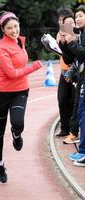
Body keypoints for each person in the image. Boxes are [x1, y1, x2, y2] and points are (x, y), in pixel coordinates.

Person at [0, 11, 43, 183]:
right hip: (2, 94)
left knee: (18, 123)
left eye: (16, 26)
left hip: (21, 91)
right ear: (3, 30)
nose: (14, 30)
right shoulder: (0, 47)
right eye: (9, 28)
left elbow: (19, 66)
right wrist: (34, 67)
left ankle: (16, 134)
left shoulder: (20, 40)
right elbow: (12, 73)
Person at [59, 5, 85, 166]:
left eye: (81, 16)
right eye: (76, 17)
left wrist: (72, 43)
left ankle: (82, 151)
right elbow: (70, 59)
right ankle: (82, 150)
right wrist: (63, 44)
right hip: (81, 77)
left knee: (82, 113)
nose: (78, 19)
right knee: (80, 111)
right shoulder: (79, 34)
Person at [55, 8, 79, 144]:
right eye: (59, 20)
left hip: (74, 72)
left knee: (74, 101)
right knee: (62, 99)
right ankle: (64, 128)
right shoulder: (60, 34)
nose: (61, 22)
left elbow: (74, 53)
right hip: (63, 71)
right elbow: (62, 54)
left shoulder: (76, 33)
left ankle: (73, 130)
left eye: (63, 20)